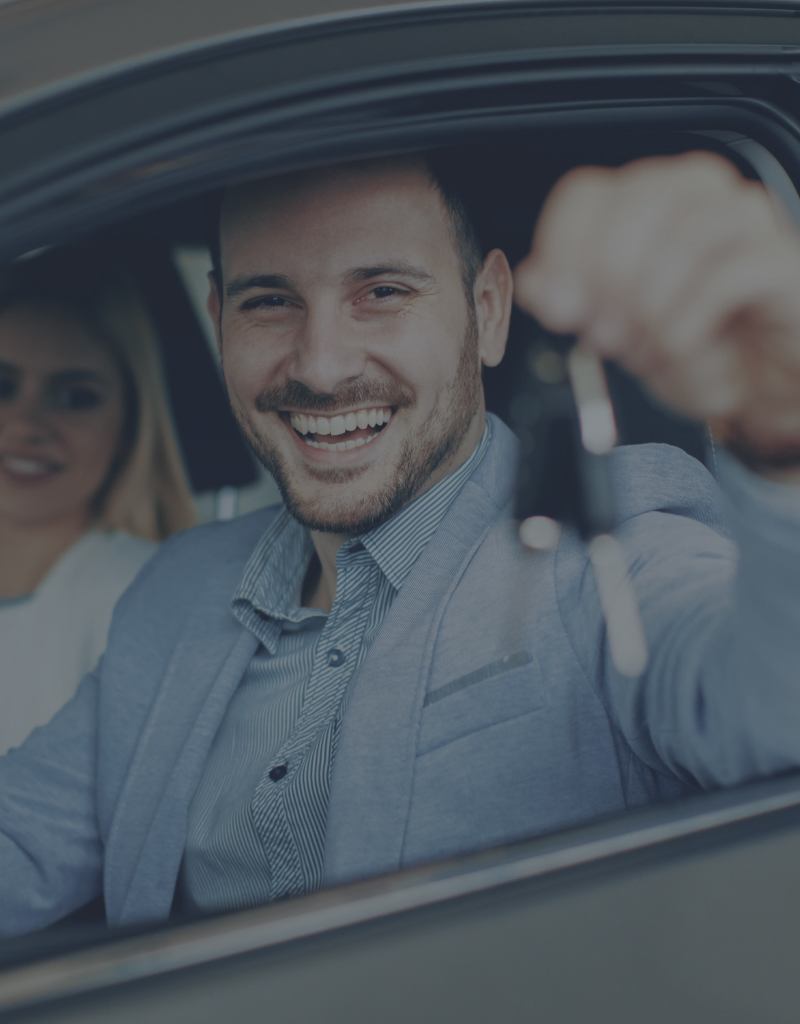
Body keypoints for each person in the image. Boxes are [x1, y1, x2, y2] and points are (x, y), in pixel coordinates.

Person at [2, 149, 800, 935]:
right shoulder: (175, 594)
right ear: (218, 321)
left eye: (381, 292)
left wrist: (784, 428)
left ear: (486, 309)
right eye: (268, 302)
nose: (320, 365)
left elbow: (771, 719)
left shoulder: (607, 536)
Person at [0, 264, 196, 755]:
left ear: (130, 425)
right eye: (2, 387)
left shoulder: (141, 597)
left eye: (75, 397)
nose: (26, 424)